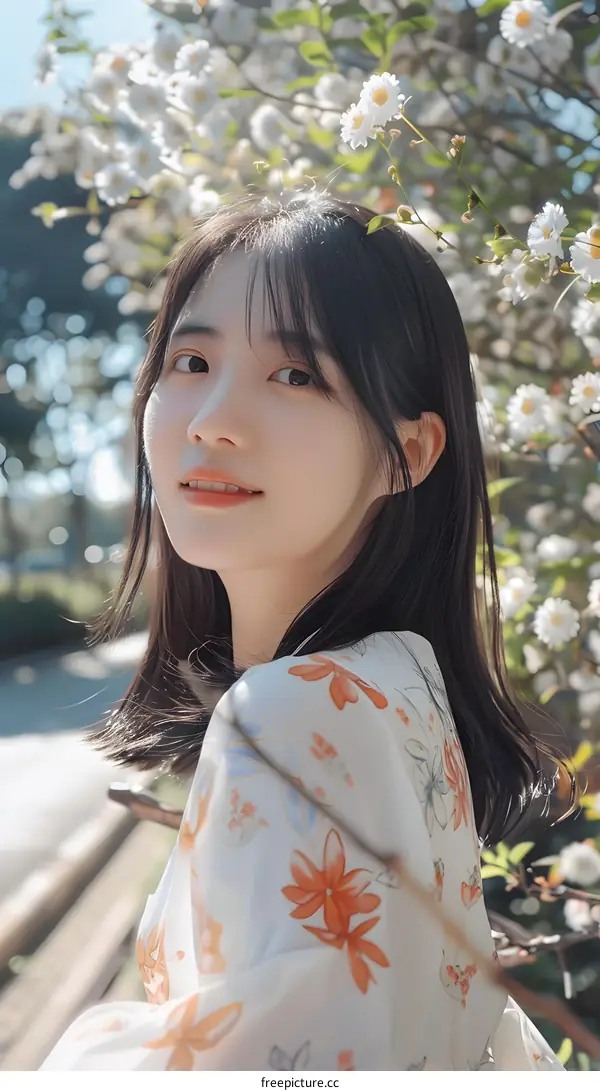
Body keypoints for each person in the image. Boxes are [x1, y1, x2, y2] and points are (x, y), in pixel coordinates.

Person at [41, 191, 571, 1071]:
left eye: (296, 375)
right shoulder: (402, 683)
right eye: (191, 359)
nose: (212, 417)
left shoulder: (291, 713)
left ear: (410, 452)